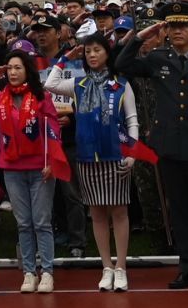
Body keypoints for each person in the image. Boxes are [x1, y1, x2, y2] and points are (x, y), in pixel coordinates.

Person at [114, 0, 188, 289]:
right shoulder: (158, 58)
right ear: (166, 30)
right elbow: (121, 64)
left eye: (183, 25)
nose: (178, 31)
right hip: (169, 145)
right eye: (173, 26)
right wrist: (142, 35)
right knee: (179, 210)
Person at [0, 47, 63, 292]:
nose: (12, 72)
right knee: (23, 223)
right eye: (9, 68)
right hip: (11, 169)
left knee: (41, 221)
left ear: (27, 71)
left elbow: (54, 130)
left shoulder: (41, 97)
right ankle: (29, 272)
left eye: (18, 67)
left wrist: (53, 162)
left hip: (40, 168)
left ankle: (48, 272)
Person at [52, 35, 139, 290]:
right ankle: (106, 267)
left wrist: (132, 153)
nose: (91, 55)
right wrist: (66, 57)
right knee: (97, 214)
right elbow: (50, 83)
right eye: (87, 51)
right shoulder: (78, 83)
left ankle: (121, 267)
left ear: (107, 54)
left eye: (97, 50)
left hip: (116, 156)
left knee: (119, 212)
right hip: (88, 157)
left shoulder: (121, 84)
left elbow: (132, 119)